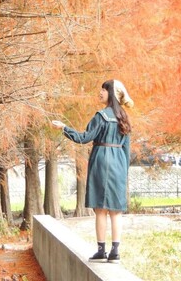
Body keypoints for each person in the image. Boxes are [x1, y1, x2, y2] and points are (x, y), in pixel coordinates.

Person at [52, 79, 133, 263]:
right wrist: (124, 171)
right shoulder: (124, 117)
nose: (100, 93)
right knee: (116, 211)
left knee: (101, 210)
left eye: (103, 90)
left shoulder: (101, 116)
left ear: (111, 93)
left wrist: (64, 128)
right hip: (119, 162)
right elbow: (127, 148)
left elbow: (84, 137)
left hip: (102, 161)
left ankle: (101, 250)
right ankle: (115, 252)